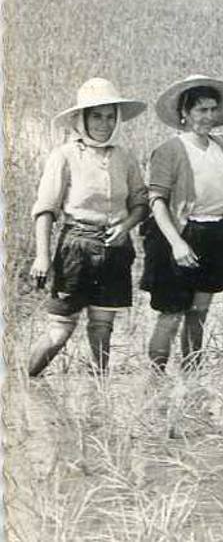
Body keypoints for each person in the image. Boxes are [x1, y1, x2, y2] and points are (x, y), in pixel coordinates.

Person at [27, 78, 148, 376]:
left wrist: (127, 225)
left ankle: (99, 395)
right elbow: (45, 209)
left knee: (102, 328)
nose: (104, 124)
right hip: (76, 247)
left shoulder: (125, 157)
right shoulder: (64, 156)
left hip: (115, 247)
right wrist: (41, 256)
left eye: (110, 116)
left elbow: (141, 203)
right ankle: (22, 384)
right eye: (96, 116)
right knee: (60, 332)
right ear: (81, 119)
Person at [141, 75, 223, 372]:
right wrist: (176, 243)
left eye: (213, 109)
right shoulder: (170, 150)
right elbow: (157, 200)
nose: (208, 116)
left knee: (199, 310)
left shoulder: (222, 145)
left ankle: (192, 377)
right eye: (201, 110)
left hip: (217, 235)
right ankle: (156, 379)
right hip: (182, 235)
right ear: (184, 113)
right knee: (172, 313)